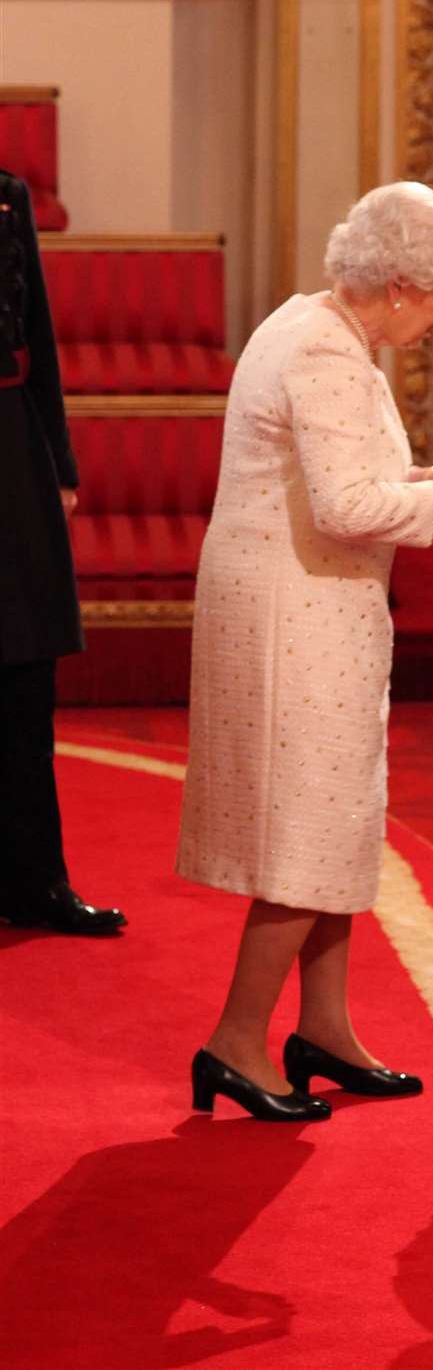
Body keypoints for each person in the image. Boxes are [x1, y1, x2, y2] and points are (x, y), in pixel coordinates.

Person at [177, 182, 433, 1121]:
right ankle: (237, 1037)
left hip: (309, 605)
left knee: (341, 815)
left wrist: (419, 479)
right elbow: (347, 507)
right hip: (296, 617)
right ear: (398, 283)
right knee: (305, 828)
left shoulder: (317, 325)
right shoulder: (324, 349)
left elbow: (349, 472)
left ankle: (322, 1025)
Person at [0, 169, 127, 938]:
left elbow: (36, 335)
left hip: (11, 441)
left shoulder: (6, 193)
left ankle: (35, 880)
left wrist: (61, 465)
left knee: (23, 676)